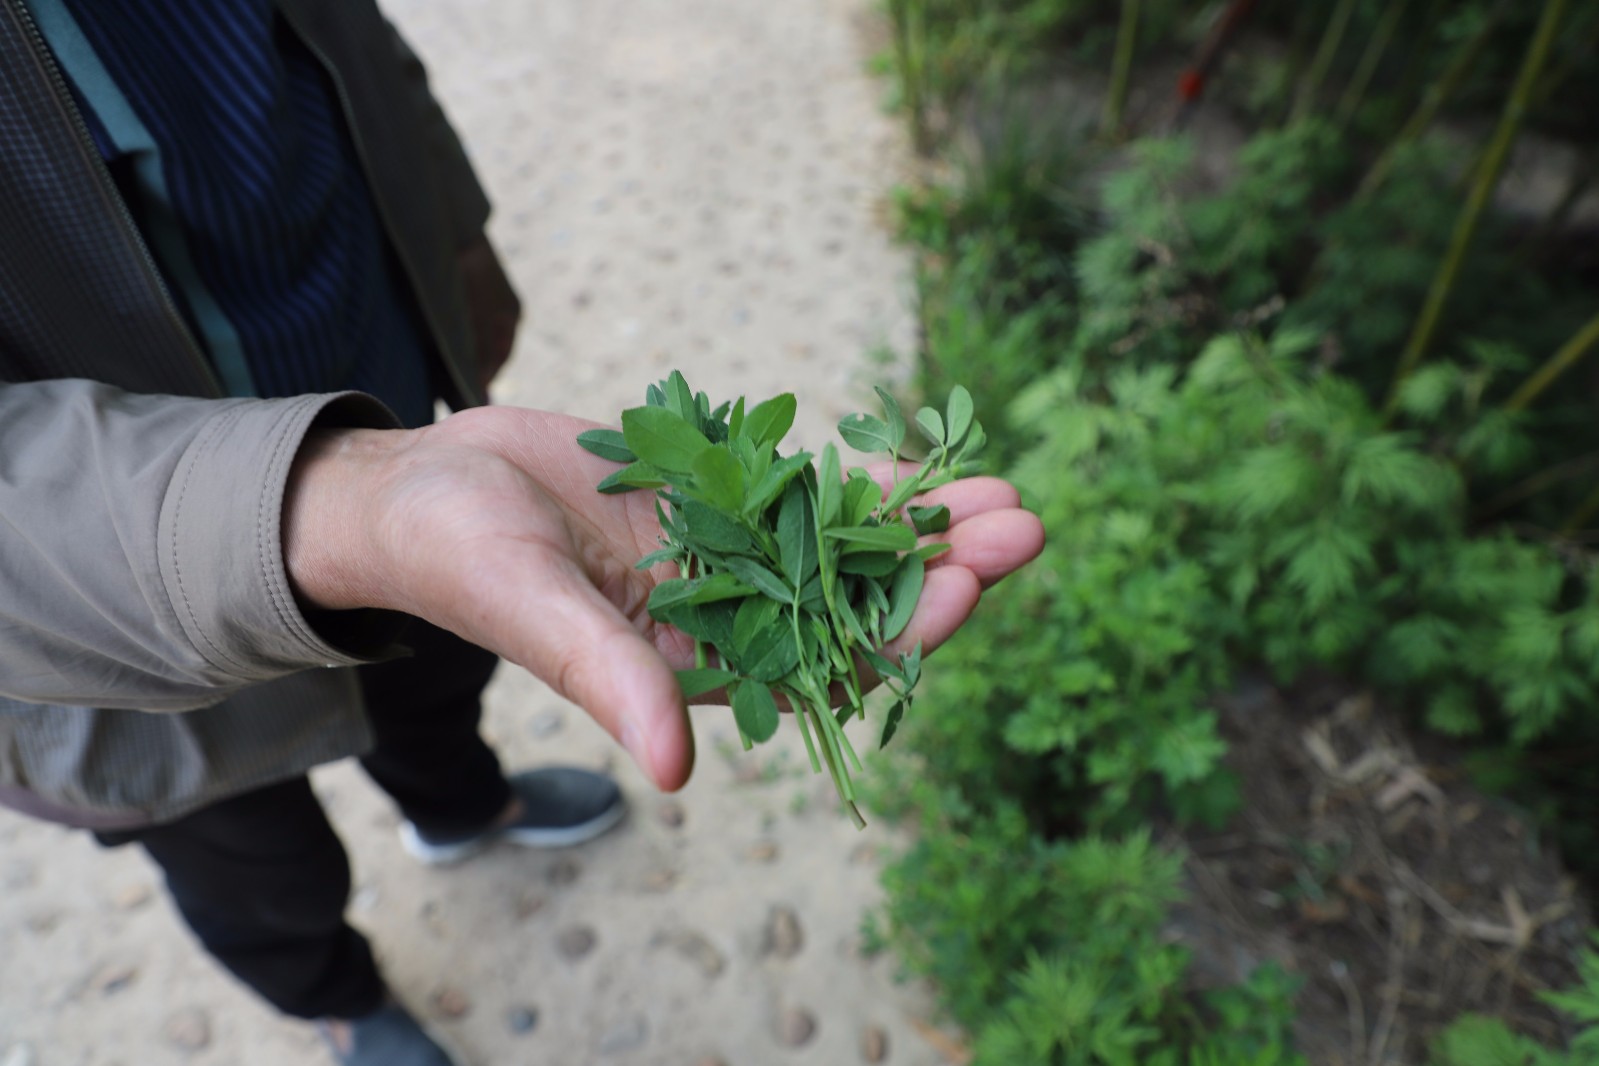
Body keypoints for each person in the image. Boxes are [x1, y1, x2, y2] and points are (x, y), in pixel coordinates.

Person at [0, 2, 1046, 1065]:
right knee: (254, 861)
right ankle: (338, 997)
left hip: (368, 371)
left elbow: (343, 31)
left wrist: (450, 224)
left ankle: (463, 807)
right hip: (87, 605)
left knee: (442, 677)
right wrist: (328, 510)